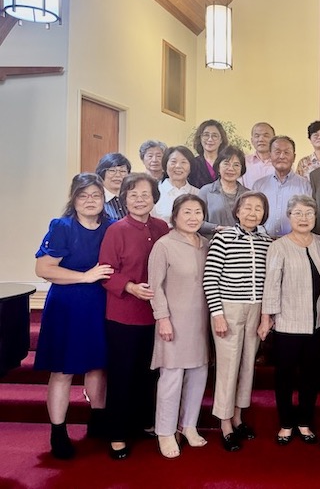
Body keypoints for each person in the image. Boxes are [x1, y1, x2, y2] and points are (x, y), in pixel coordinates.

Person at [34, 173, 114, 459]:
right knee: (63, 370)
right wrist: (85, 276)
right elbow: (43, 269)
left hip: (101, 305)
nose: (90, 200)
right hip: (67, 306)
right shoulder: (62, 226)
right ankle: (58, 432)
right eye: (83, 195)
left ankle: (98, 421)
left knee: (98, 366)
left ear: (103, 198)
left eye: (95, 195)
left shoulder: (111, 227)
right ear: (74, 199)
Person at [99, 173, 170, 459]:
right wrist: (130, 287)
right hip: (124, 314)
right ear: (125, 199)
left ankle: (143, 422)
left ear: (154, 198)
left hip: (155, 314)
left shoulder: (162, 227)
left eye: (145, 194)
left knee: (148, 373)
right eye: (133, 195)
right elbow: (106, 271)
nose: (140, 200)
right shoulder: (116, 230)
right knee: (122, 374)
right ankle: (117, 433)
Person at [202, 191, 273, 452]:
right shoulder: (223, 238)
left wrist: (266, 316)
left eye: (258, 208)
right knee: (228, 366)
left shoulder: (266, 242)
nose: (252, 213)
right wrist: (217, 314)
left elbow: (269, 281)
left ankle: (238, 417)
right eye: (247, 207)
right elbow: (210, 278)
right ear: (238, 211)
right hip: (229, 308)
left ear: (264, 214)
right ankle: (224, 423)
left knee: (247, 366)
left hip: (255, 308)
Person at [259, 195, 320, 446]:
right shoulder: (279, 246)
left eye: (309, 213)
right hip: (287, 323)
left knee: (311, 376)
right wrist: (266, 318)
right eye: (298, 213)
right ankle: (286, 423)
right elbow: (271, 285)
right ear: (289, 217)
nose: (303, 218)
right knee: (285, 377)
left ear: (315, 217)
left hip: (317, 324)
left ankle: (305, 421)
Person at [148, 194, 210, 459]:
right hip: (173, 320)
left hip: (201, 321)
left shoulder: (206, 244)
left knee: (198, 373)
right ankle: (165, 431)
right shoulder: (164, 245)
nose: (193, 217)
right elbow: (155, 287)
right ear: (175, 216)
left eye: (198, 212)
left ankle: (188, 425)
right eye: (187, 212)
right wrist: (162, 318)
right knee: (171, 377)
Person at [251, 136, 312, 238]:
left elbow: (308, 217)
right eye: (277, 152)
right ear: (270, 155)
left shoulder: (305, 185)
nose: (282, 156)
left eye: (287, 152)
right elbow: (253, 215)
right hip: (262, 241)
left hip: (294, 242)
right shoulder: (259, 185)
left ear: (294, 157)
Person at [198, 145, 249, 236]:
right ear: (218, 167)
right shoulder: (206, 191)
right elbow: (197, 221)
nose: (231, 168)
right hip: (213, 242)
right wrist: (216, 227)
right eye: (226, 163)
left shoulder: (248, 194)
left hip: (242, 242)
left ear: (242, 169)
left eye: (236, 165)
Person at [152, 146, 200, 224]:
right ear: (165, 165)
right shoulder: (154, 191)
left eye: (183, 162)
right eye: (173, 162)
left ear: (191, 167)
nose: (178, 166)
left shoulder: (198, 193)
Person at [189, 119, 228, 189]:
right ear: (200, 138)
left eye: (215, 136)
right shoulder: (193, 163)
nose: (210, 139)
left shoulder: (227, 163)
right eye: (206, 135)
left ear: (221, 140)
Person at [95, 152, 132, 221]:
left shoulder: (131, 198)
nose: (118, 175)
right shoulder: (95, 199)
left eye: (122, 171)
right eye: (112, 170)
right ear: (102, 173)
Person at [240, 122, 276, 188]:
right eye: (257, 136)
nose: (261, 139)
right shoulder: (243, 162)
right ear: (252, 140)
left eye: (266, 136)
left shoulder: (282, 163)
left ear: (274, 140)